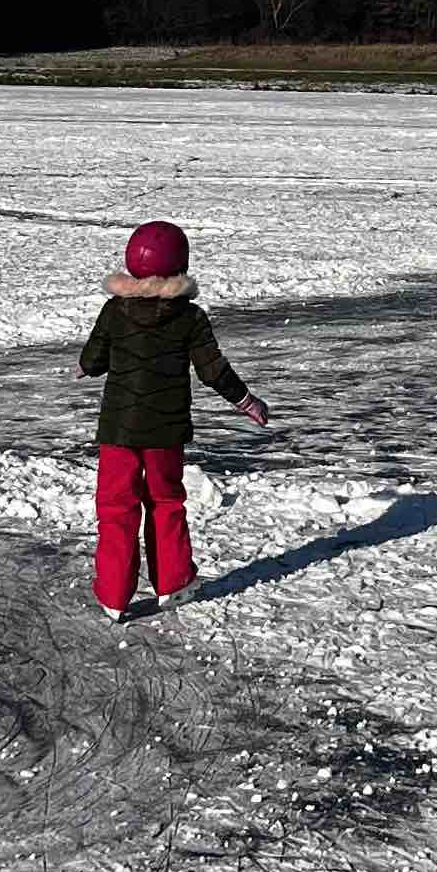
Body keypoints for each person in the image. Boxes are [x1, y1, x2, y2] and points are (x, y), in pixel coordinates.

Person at [79, 217, 269, 612]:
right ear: (180, 264)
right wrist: (246, 400)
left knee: (116, 506)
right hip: (165, 432)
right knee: (165, 502)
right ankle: (173, 581)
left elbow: (94, 360)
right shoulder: (189, 317)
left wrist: (87, 366)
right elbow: (213, 370)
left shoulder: (115, 311)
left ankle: (113, 595)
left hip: (118, 430)